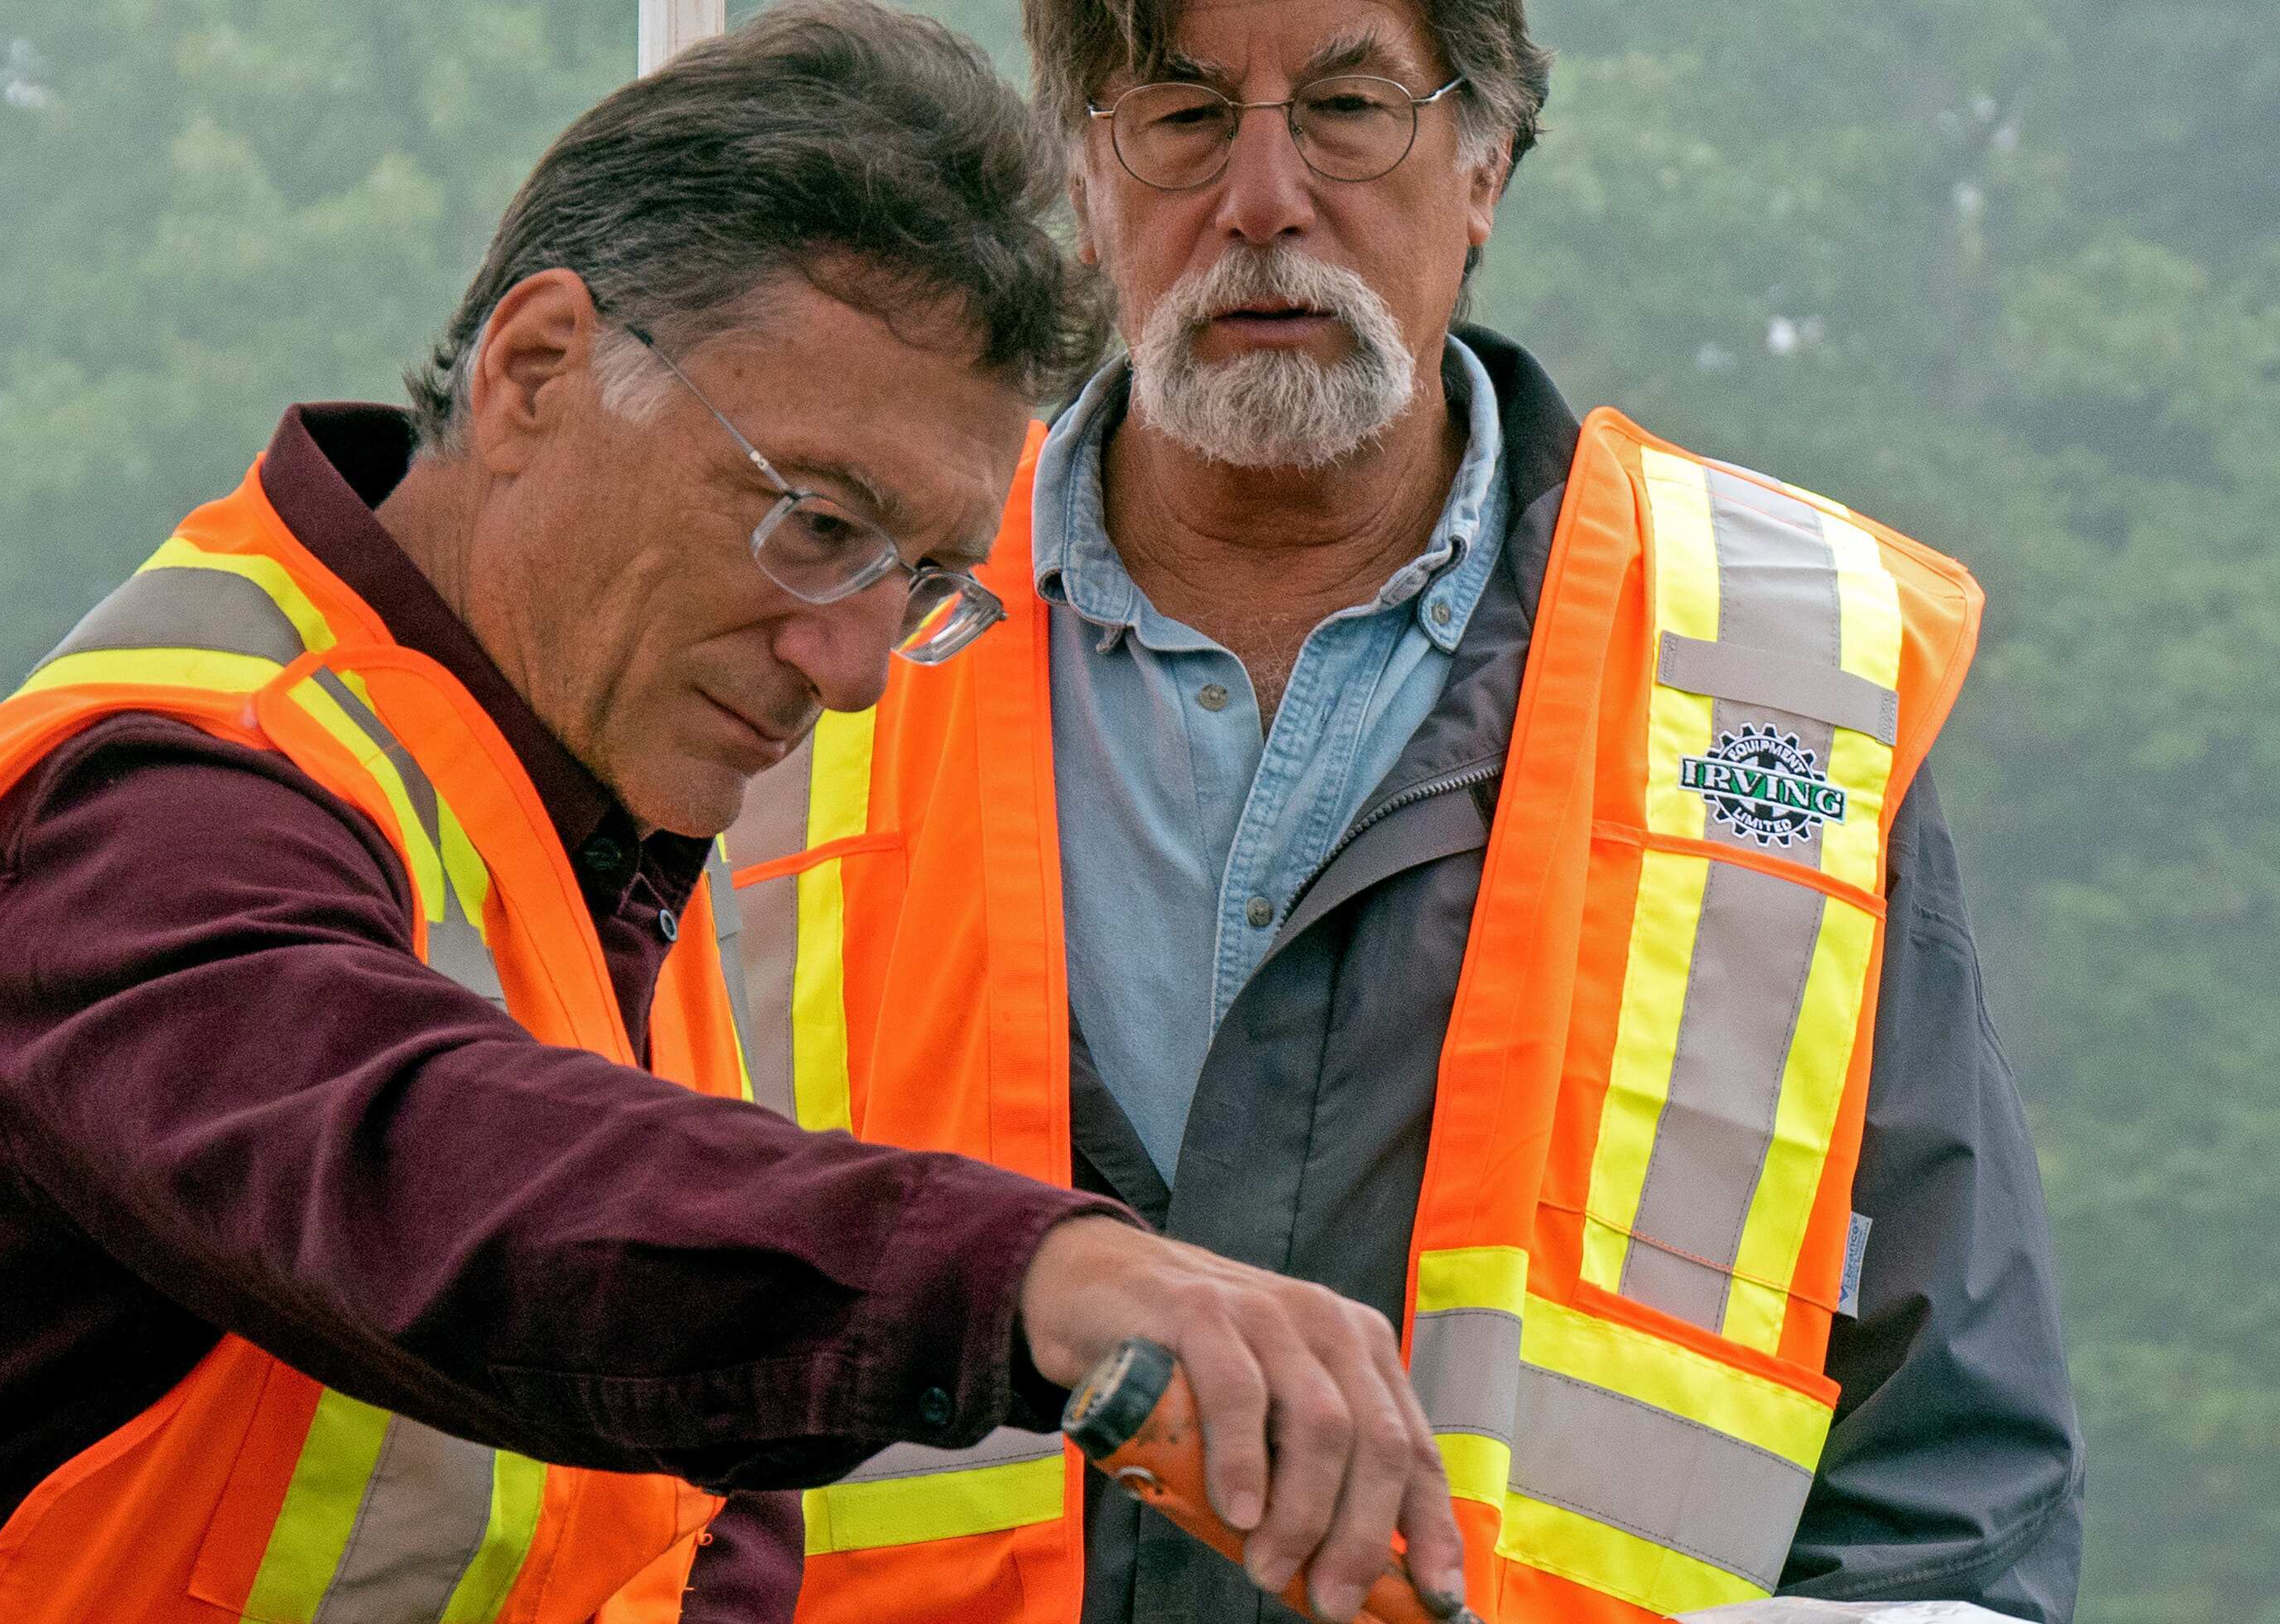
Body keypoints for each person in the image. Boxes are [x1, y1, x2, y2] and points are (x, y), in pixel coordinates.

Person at [0, 7, 1466, 1622]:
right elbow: (441, 1175)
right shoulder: (155, 802)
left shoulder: (593, 829)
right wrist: (1047, 1273)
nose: (853, 670)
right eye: (816, 520)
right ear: (533, 371)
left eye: (922, 582)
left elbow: (677, 1517)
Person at [728, 0, 2085, 1621]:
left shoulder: (1778, 685)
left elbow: (1943, 1522)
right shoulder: (798, 633)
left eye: (1349, 109)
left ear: (1487, 162)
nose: (1262, 201)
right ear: (1081, 182)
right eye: (1180, 117)